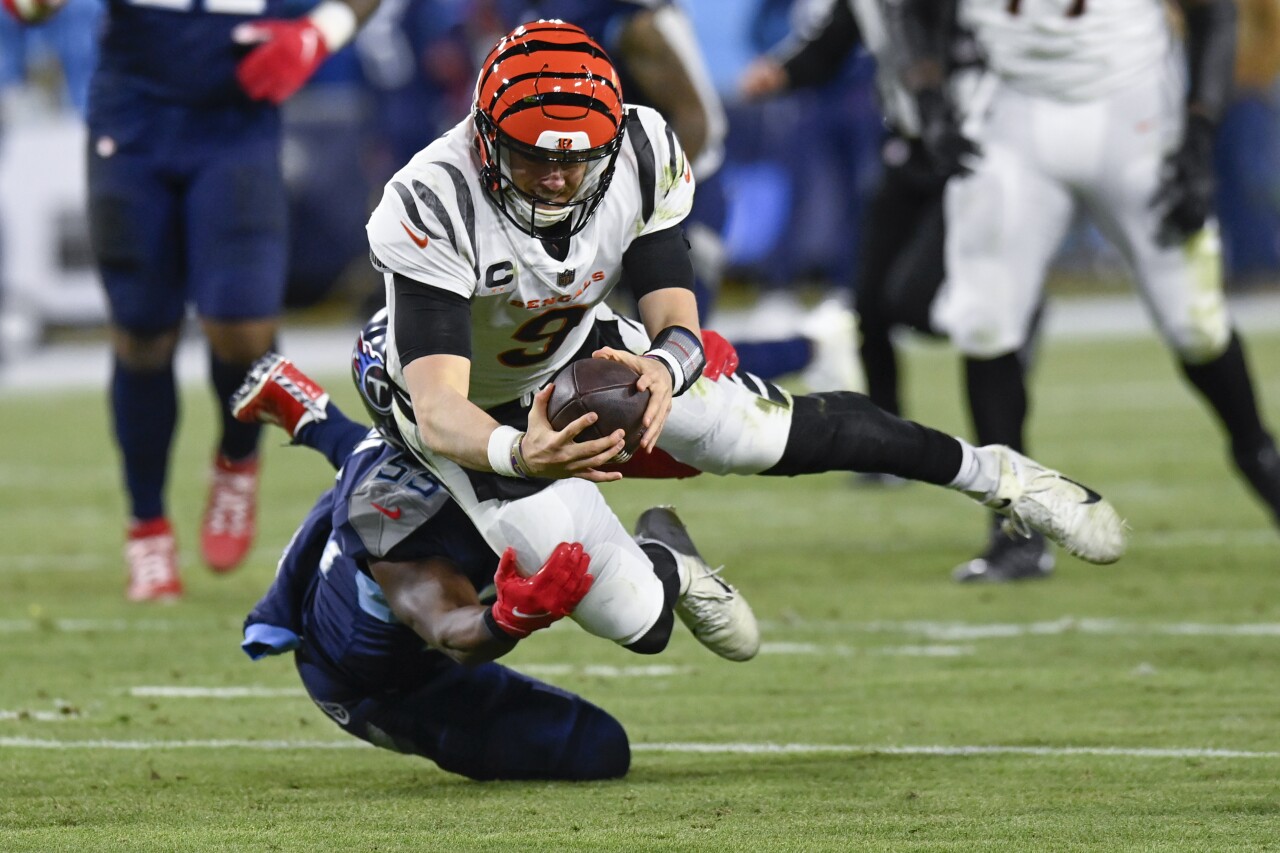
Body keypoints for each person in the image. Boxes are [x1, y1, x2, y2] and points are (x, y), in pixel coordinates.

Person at [367, 21, 1126, 662]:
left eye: (575, 158)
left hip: (577, 348)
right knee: (636, 621)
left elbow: (676, 313)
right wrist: (522, 454)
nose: (560, 178)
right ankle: (672, 563)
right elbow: (439, 406)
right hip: (477, 408)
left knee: (771, 434)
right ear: (485, 136)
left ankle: (1004, 478)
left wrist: (667, 367)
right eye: (536, 156)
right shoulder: (434, 197)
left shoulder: (640, 147)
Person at [894, 0, 1280, 582]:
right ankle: (1014, 529)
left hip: (1135, 107)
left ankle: (1266, 468)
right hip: (1012, 109)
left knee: (1195, 325)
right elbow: (911, 11)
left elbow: (1214, 13)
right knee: (983, 319)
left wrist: (1200, 132)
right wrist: (929, 98)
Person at [85, 0, 381, 601]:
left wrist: (318, 34)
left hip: (235, 128)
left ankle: (237, 456)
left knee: (243, 326)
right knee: (142, 331)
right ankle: (148, 527)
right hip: (133, 122)